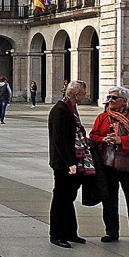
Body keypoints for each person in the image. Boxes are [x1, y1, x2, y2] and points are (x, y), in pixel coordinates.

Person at [88, 86, 129, 247]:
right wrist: (103, 140)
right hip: (108, 165)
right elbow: (93, 135)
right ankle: (111, 231)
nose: (110, 101)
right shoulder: (103, 117)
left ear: (124, 101)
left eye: (114, 98)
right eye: (109, 97)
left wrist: (121, 140)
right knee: (109, 199)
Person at [47, 80, 89, 248]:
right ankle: (56, 235)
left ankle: (70, 232)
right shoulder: (60, 110)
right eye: (83, 94)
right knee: (60, 198)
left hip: (71, 160)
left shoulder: (70, 108)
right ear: (76, 94)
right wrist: (69, 163)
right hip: (63, 163)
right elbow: (59, 140)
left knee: (68, 198)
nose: (85, 97)